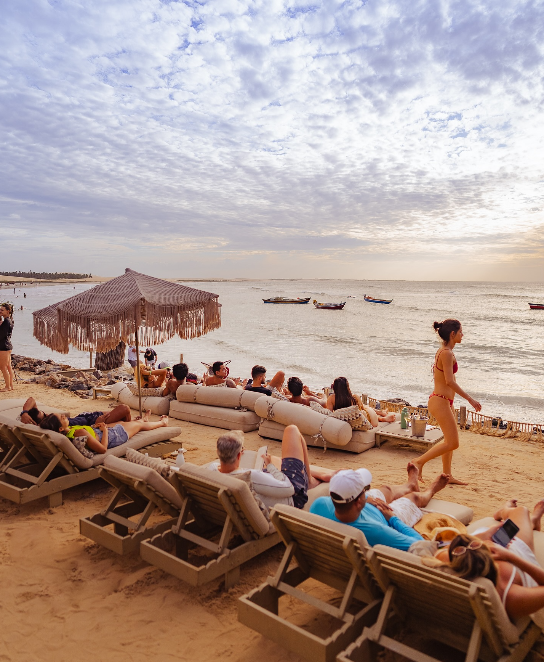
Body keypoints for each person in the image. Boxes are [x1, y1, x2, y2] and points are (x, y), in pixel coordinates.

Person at [435, 498, 544, 622]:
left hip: (486, 541)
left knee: (514, 522)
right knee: (521, 511)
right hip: (514, 551)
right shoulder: (509, 595)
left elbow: (444, 549)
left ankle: (530, 521)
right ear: (490, 559)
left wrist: (482, 537)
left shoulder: (449, 561)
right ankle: (511, 512)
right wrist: (510, 557)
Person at [310, 465, 450, 551]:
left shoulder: (319, 505)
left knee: (386, 489)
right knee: (414, 498)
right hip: (385, 516)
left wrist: (367, 498)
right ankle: (430, 490)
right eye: (365, 489)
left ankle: (410, 485)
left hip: (365, 508)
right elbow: (421, 544)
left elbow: (342, 499)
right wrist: (393, 518)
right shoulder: (376, 531)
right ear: (358, 501)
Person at [413, 319, 482, 486]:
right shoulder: (446, 353)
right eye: (460, 332)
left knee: (449, 441)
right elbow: (449, 382)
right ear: (453, 334)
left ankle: (447, 475)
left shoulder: (445, 351)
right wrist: (470, 399)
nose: (462, 334)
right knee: (453, 443)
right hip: (440, 402)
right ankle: (418, 462)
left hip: (445, 402)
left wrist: (452, 402)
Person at [208, 426, 337, 510]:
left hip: (268, 489)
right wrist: (270, 467)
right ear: (239, 454)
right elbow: (289, 488)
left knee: (272, 459)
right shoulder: (251, 476)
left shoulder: (212, 470)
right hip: (293, 495)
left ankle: (313, 475)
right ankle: (309, 480)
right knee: (292, 430)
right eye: (242, 449)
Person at [39, 412, 169, 454]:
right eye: (62, 418)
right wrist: (105, 430)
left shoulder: (70, 431)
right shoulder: (78, 433)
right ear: (60, 428)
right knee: (139, 426)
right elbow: (102, 449)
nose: (64, 416)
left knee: (122, 422)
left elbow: (89, 432)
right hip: (113, 437)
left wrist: (97, 427)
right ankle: (162, 423)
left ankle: (143, 420)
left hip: (99, 432)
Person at [19, 396, 133, 427]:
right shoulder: (57, 427)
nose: (48, 414)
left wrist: (24, 413)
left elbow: (31, 400)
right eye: (45, 416)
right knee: (124, 409)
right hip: (92, 421)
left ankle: (133, 424)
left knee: (123, 413)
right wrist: (95, 424)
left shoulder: (47, 422)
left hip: (86, 416)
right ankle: (135, 426)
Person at [326, 377, 394, 423]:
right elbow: (361, 410)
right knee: (365, 408)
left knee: (364, 407)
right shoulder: (353, 398)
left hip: (345, 419)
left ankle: (381, 413)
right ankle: (381, 416)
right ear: (347, 387)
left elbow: (329, 413)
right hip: (363, 418)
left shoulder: (331, 398)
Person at [0, 303, 15, 392]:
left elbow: (1, 335)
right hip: (7, 346)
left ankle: (7, 387)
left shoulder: (6, 321)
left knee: (3, 367)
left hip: (3, 346)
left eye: (2, 310)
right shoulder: (9, 320)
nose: (0, 311)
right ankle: (10, 385)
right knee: (8, 367)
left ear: (7, 311)